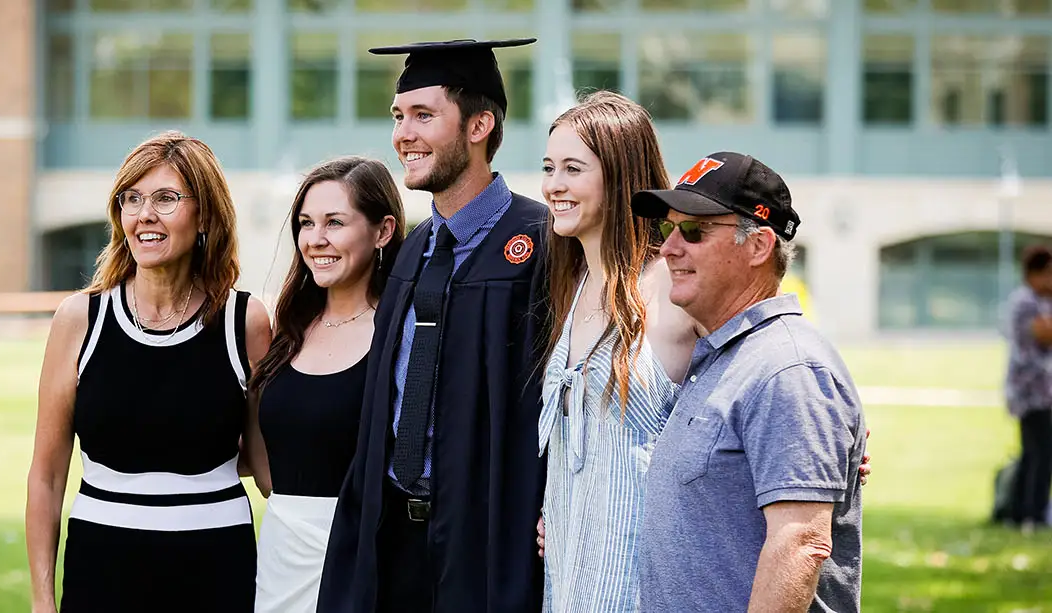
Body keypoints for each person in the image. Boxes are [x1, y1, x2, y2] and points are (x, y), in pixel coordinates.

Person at [318, 38, 552, 613]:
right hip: (393, 537)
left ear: (479, 126)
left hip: (485, 541)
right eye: (399, 116)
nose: (403, 134)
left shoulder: (543, 243)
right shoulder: (416, 245)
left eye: (424, 116)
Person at [24, 131, 272, 612]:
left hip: (217, 567)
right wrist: (41, 601)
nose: (145, 215)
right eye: (131, 199)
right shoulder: (80, 319)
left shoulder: (245, 321)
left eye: (166, 198)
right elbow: (47, 475)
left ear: (204, 215)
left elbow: (267, 467)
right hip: (102, 568)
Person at [632, 152, 866, 612]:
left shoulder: (788, 369)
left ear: (758, 246)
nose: (669, 248)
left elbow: (799, 544)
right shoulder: (724, 358)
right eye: (668, 228)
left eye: (694, 230)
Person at [535, 90, 695, 612]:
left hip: (641, 586)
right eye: (549, 167)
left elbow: (772, 366)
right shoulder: (572, 286)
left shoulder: (673, 287)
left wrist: (828, 438)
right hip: (568, 576)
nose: (554, 185)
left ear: (621, 175)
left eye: (573, 169)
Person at [247, 156, 405, 612]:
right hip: (281, 551)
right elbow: (261, 438)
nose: (316, 240)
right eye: (306, 223)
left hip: (363, 556)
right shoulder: (290, 327)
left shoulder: (400, 332)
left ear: (383, 230)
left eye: (335, 223)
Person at [1002, 244, 1052, 532]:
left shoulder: (1037, 300)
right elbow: (1045, 334)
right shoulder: (1026, 301)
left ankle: (1021, 512)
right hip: (1031, 390)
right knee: (1040, 453)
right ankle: (1031, 513)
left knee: (1033, 452)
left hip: (1038, 389)